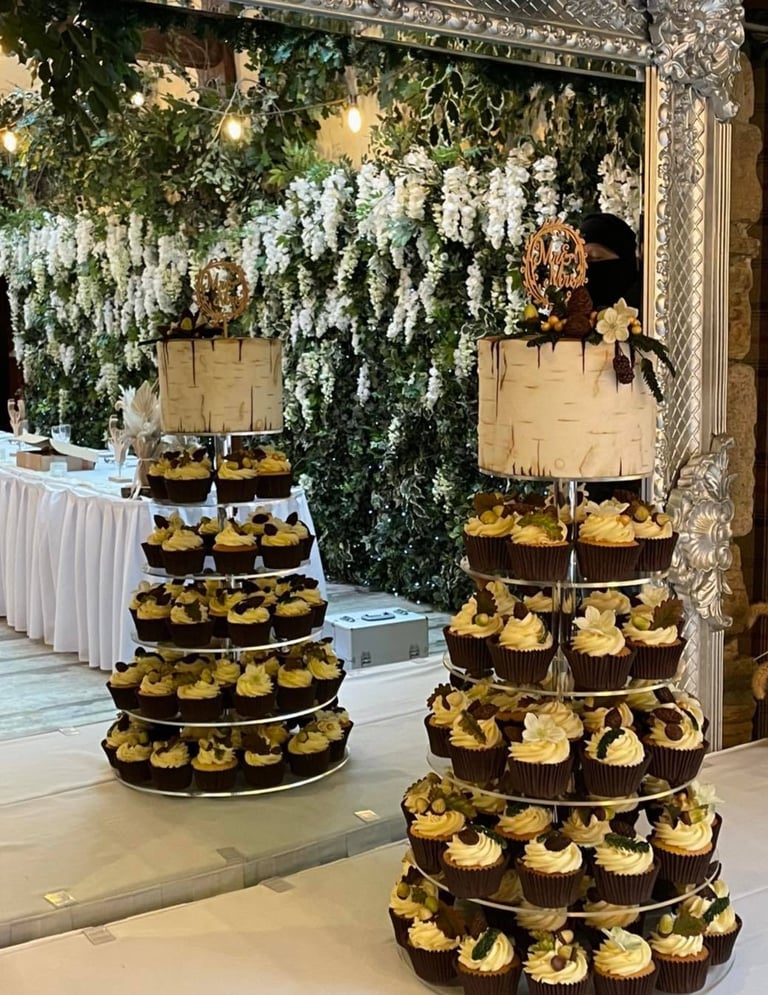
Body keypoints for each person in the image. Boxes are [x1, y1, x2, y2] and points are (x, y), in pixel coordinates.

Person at [579, 212, 641, 313]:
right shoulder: (572, 316)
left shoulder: (648, 311)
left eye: (596, 257)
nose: (587, 267)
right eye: (580, 260)